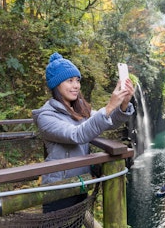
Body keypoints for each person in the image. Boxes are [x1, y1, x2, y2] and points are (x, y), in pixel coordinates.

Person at [32, 52, 135, 214]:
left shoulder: (78, 110)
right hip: (58, 189)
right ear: (56, 85)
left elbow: (110, 122)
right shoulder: (46, 116)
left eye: (77, 80)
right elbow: (77, 135)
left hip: (80, 183)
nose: (76, 86)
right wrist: (108, 106)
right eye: (70, 80)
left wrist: (124, 104)